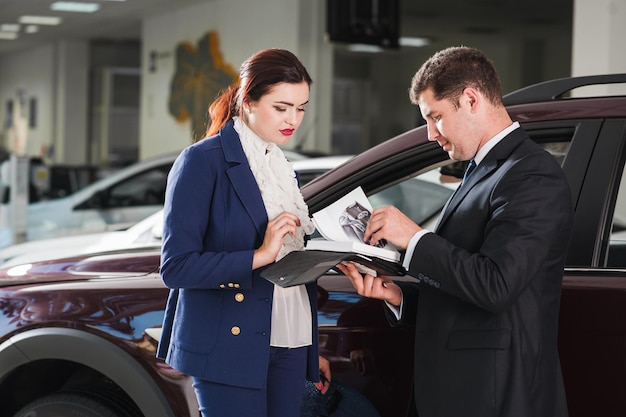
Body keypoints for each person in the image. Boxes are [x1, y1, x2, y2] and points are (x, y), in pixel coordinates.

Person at [336, 46, 574, 417]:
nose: (430, 134)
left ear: (471, 99)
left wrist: (413, 238)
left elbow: (495, 286)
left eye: (436, 117)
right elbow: (465, 289)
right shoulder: (484, 170)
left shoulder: (530, 175)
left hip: (495, 398)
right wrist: (398, 295)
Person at [157, 48, 331, 417]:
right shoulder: (202, 161)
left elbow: (291, 260)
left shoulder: (282, 167)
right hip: (229, 341)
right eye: (281, 107)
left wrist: (338, 256)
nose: (293, 119)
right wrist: (260, 255)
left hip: (291, 332)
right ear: (248, 100)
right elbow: (176, 268)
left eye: (301, 108)